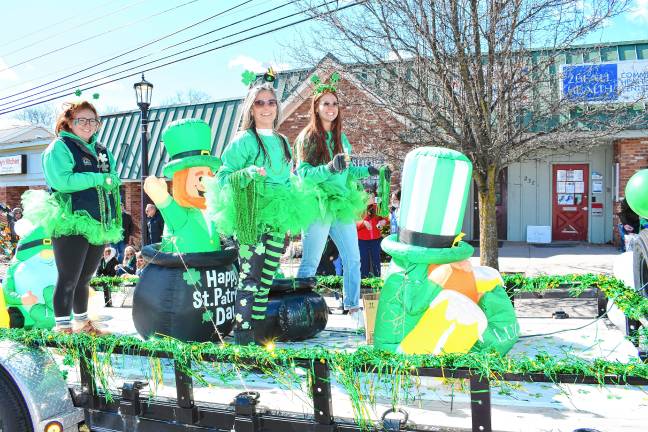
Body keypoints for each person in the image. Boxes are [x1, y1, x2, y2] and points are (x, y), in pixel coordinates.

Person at [205, 81, 317, 345]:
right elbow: (221, 176)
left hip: (277, 216)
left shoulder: (282, 141)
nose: (266, 107)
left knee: (266, 279)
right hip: (251, 216)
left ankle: (256, 335)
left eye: (271, 102)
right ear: (251, 109)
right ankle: (243, 340)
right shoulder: (244, 140)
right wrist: (246, 174)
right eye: (260, 102)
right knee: (250, 278)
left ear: (276, 107)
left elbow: (287, 178)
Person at [294, 76, 389, 326]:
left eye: (334, 103)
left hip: (341, 204)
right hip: (318, 203)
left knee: (353, 258)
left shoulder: (341, 138)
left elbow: (345, 172)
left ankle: (353, 307)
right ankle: (299, 308)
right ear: (316, 107)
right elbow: (303, 174)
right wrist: (328, 167)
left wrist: (368, 171)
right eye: (325, 103)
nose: (330, 108)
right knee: (311, 261)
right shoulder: (307, 138)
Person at [37, 100, 121, 334]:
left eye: (92, 120)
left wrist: (111, 182)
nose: (87, 125)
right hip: (71, 219)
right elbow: (61, 181)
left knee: (85, 277)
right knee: (68, 277)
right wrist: (98, 179)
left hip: (98, 221)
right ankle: (63, 328)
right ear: (69, 123)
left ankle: (83, 324)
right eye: (81, 120)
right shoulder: (60, 147)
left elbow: (111, 176)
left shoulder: (102, 149)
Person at [357, 203, 387, 278]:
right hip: (362, 240)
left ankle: (377, 279)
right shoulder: (358, 207)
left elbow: (385, 218)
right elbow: (354, 223)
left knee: (376, 260)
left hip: (376, 240)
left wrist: (384, 221)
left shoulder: (377, 207)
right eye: (370, 196)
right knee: (364, 260)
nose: (372, 199)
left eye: (373, 196)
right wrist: (363, 223)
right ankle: (364, 280)